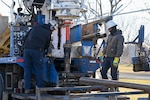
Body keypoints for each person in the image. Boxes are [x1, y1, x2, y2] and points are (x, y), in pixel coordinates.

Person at [23, 22, 55, 93]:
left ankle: (27, 89)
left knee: (27, 69)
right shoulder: (48, 33)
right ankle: (40, 89)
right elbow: (47, 45)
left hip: (26, 50)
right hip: (37, 51)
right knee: (38, 70)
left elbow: (25, 37)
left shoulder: (35, 28)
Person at [99, 20, 124, 90]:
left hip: (114, 58)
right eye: (108, 29)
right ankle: (106, 87)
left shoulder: (119, 37)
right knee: (103, 71)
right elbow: (107, 46)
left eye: (110, 29)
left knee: (113, 74)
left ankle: (115, 89)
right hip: (107, 57)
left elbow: (120, 48)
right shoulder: (110, 36)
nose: (109, 30)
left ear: (113, 28)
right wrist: (102, 54)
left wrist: (117, 58)